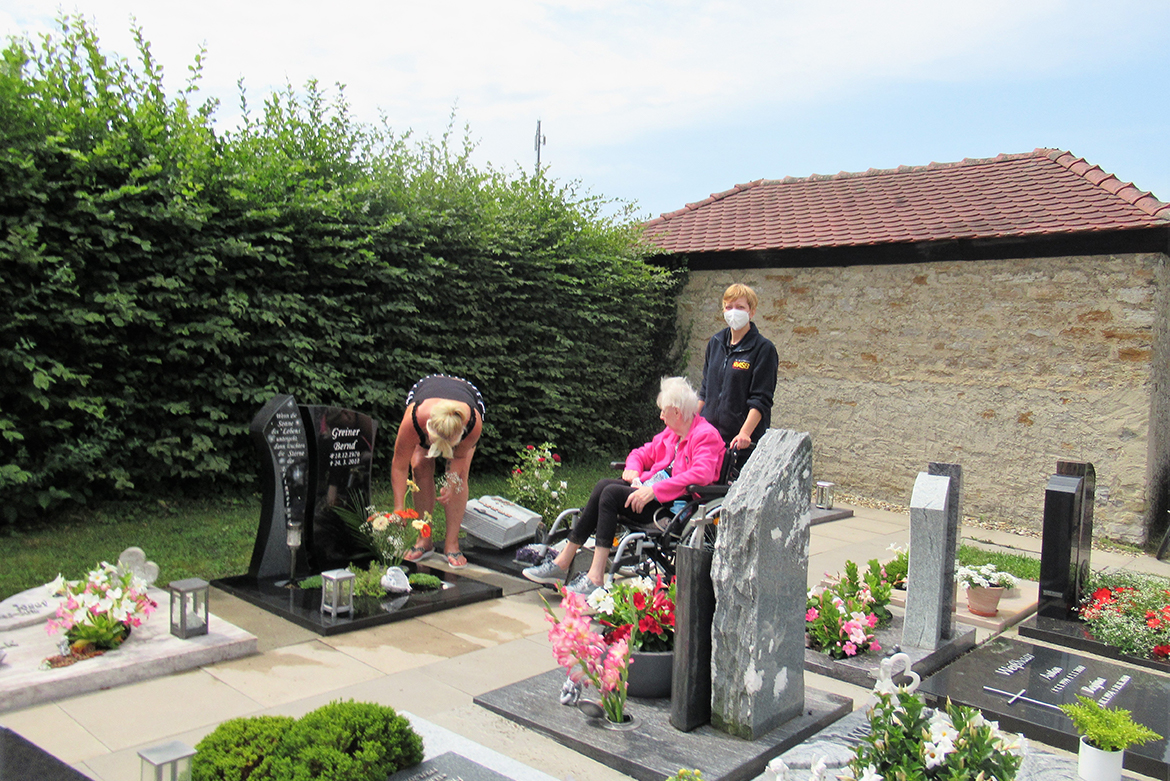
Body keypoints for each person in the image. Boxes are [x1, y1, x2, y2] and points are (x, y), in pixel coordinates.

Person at [522, 376, 725, 597]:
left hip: (674, 510)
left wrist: (655, 490)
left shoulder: (705, 435)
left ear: (677, 412)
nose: (661, 416)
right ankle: (563, 561)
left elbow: (701, 474)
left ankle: (594, 577)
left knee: (610, 494)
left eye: (664, 411)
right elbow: (641, 453)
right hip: (651, 496)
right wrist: (633, 468)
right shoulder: (671, 434)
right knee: (603, 486)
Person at [393, 374, 485, 569]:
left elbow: (458, 458)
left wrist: (451, 484)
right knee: (419, 465)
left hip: (467, 395)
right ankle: (424, 539)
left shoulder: (472, 424)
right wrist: (399, 508)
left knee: (460, 479)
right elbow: (399, 466)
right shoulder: (414, 419)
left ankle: (452, 544)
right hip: (428, 391)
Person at [698, 283, 779, 455]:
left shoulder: (763, 349)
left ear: (752, 311)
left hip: (739, 444)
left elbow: (761, 399)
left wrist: (745, 433)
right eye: (729, 307)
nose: (734, 311)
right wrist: (690, 423)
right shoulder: (715, 343)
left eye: (740, 307)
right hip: (708, 439)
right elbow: (705, 390)